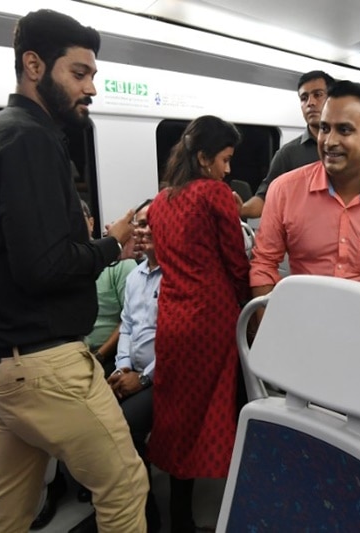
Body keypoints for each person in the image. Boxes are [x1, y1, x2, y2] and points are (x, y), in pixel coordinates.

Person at [0, 9, 148, 532]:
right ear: (34, 65)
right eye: (79, 73)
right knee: (126, 484)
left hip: (0, 366)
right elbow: (43, 268)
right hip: (41, 366)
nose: (91, 88)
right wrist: (111, 243)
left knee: (4, 515)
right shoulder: (29, 139)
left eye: (93, 76)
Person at [147, 115, 250, 532]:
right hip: (213, 322)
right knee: (236, 408)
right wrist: (253, 308)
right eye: (225, 159)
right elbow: (236, 264)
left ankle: (181, 517)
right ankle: (242, 503)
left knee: (178, 420)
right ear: (205, 157)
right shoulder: (216, 195)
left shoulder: (159, 202)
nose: (229, 169)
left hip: (172, 320)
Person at [250, 80, 360, 297]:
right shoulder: (284, 191)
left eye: (344, 130)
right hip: (306, 318)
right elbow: (264, 263)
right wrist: (268, 324)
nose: (329, 141)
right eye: (324, 129)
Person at [108, 199, 162, 532]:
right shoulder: (136, 275)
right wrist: (122, 366)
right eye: (138, 224)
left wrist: (142, 379)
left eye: (148, 224)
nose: (140, 231)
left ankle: (148, 517)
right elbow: (126, 325)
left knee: (124, 427)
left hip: (164, 376)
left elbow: (176, 341)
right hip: (133, 371)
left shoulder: (178, 277)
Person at [236, 70, 334, 219]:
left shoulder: (353, 147)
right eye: (304, 98)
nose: (310, 103)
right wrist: (240, 210)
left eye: (318, 95)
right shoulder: (288, 154)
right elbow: (265, 198)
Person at [82, 199, 137, 375]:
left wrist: (99, 355)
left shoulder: (118, 262)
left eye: (77, 218)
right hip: (72, 357)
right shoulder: (63, 267)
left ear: (91, 223)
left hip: (108, 355)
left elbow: (130, 319)